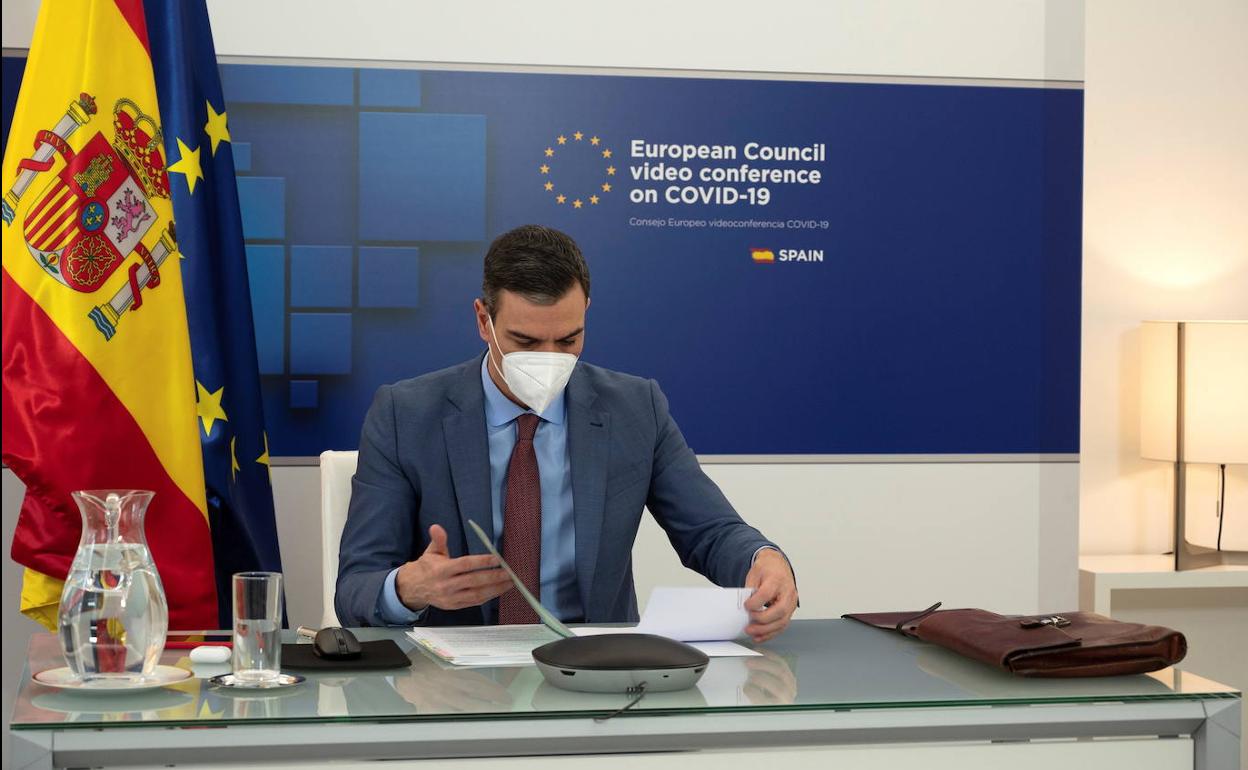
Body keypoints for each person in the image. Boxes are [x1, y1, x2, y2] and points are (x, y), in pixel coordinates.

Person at [335, 225, 798, 642]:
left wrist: (763, 559)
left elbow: (710, 531)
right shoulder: (405, 414)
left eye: (569, 339)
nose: (550, 357)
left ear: (587, 314)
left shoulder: (636, 407)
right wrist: (409, 589)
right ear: (484, 321)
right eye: (526, 342)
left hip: (595, 672)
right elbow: (355, 589)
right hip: (452, 681)